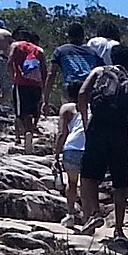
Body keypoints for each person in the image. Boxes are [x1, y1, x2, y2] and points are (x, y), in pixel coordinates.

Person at [76, 57, 128, 239]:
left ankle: (94, 213)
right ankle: (119, 229)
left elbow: (82, 94)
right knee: (120, 182)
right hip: (120, 131)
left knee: (89, 176)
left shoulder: (98, 71)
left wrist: (85, 119)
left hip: (98, 127)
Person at [7, 31, 49, 149]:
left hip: (21, 84)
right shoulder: (39, 50)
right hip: (36, 85)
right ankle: (29, 133)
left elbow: (10, 62)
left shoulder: (16, 46)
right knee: (32, 112)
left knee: (20, 112)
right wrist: (43, 86)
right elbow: (44, 70)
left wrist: (13, 76)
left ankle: (20, 136)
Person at [53, 93, 90, 226]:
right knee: (86, 185)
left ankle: (70, 215)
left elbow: (62, 133)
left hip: (71, 148)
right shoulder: (94, 108)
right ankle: (87, 218)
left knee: (72, 182)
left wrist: (56, 154)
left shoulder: (67, 108)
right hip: (88, 149)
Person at [53, 25, 98, 104]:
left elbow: (52, 74)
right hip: (88, 86)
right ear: (83, 36)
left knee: (69, 111)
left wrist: (45, 99)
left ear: (69, 36)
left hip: (70, 87)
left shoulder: (61, 51)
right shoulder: (93, 52)